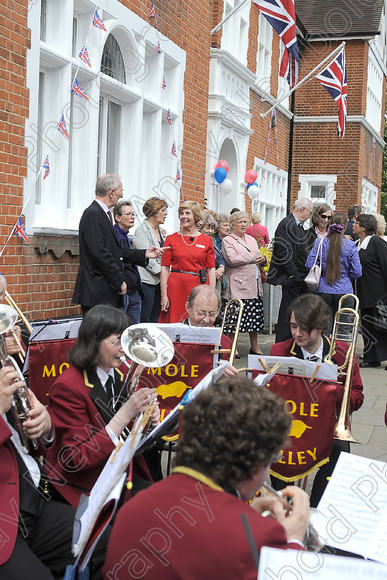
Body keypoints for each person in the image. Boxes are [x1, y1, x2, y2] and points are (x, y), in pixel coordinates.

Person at [103, 376, 309, 580]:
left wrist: (244, 515)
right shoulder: (259, 538)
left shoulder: (132, 506)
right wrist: (293, 542)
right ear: (256, 462)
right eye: (274, 456)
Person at [46, 305, 160, 507]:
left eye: (125, 341)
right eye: (117, 342)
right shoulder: (67, 387)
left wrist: (147, 420)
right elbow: (75, 459)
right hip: (82, 484)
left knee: (160, 498)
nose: (124, 349)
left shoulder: (118, 374)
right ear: (93, 344)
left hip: (115, 470)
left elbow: (129, 437)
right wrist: (124, 415)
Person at [0, 365, 108, 579]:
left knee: (109, 544)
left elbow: (23, 443)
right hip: (5, 515)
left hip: (30, 500)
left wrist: (45, 426)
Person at [270, 293, 364, 506]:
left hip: (327, 425)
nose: (297, 333)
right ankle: (286, 505)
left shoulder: (342, 352)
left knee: (340, 451)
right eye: (293, 326)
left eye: (304, 328)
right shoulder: (280, 351)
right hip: (291, 423)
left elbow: (357, 398)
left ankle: (317, 508)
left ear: (320, 327)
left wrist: (328, 388)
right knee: (268, 443)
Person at [72, 174, 162, 315]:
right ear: (111, 192)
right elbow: (100, 253)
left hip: (103, 291)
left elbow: (116, 251)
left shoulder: (102, 214)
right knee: (99, 335)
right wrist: (118, 280)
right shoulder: (93, 214)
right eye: (121, 190)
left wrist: (144, 253)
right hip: (96, 290)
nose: (122, 194)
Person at [305, 212, 362, 334]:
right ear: (345, 226)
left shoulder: (319, 242)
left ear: (330, 224)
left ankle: (325, 352)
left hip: (323, 290)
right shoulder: (351, 245)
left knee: (324, 329)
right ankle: (341, 353)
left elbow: (309, 264)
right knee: (344, 331)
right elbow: (357, 272)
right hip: (345, 291)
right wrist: (345, 275)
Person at [159, 201, 215, 323]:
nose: (183, 216)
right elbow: (164, 268)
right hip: (175, 289)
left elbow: (211, 269)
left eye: (187, 213)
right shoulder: (171, 239)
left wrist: (212, 295)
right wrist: (164, 295)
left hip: (198, 287)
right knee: (174, 322)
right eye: (181, 213)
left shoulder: (206, 240)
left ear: (195, 216)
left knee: (198, 322)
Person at [268, 197, 313, 342]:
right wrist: (293, 274)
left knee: (295, 313)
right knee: (287, 313)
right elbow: (283, 252)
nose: (309, 216)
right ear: (303, 210)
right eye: (310, 213)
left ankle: (290, 344)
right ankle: (282, 345)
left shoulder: (297, 225)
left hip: (297, 276)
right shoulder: (287, 224)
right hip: (291, 277)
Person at [222, 211, 266, 355]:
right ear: (232, 224)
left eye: (245, 222)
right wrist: (253, 257)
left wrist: (263, 260)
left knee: (254, 319)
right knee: (235, 318)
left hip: (254, 283)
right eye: (240, 222)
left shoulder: (252, 239)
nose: (243, 225)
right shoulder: (228, 240)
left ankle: (254, 346)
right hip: (238, 285)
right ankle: (232, 347)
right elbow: (232, 260)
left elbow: (259, 256)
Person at [353, 213, 387, 368]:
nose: (353, 225)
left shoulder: (377, 243)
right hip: (364, 294)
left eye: (356, 223)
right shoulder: (357, 244)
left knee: (382, 327)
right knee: (368, 328)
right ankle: (371, 358)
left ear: (364, 227)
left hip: (380, 294)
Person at [183, 285, 238, 376]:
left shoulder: (225, 343)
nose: (207, 320)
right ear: (188, 307)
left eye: (212, 314)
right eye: (201, 313)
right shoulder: (171, 337)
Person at [133, 197, 168, 323]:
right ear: (154, 212)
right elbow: (145, 256)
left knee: (155, 319)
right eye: (163, 210)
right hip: (147, 282)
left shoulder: (161, 232)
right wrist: (163, 273)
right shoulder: (141, 230)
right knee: (145, 318)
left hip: (160, 282)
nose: (166, 214)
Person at [113, 200, 144, 324]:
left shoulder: (125, 236)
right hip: (123, 292)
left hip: (134, 291)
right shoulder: (114, 235)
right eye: (128, 214)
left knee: (133, 331)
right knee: (120, 328)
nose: (132, 217)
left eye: (133, 214)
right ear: (118, 218)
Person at [0, 274, 25, 358]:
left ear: (4, 295)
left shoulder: (7, 318)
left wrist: (18, 343)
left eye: (0, 294)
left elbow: (25, 362)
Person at [212, 213, 229, 296]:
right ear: (218, 227)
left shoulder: (231, 240)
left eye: (228, 225)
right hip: (216, 275)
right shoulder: (213, 240)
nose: (228, 228)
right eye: (225, 225)